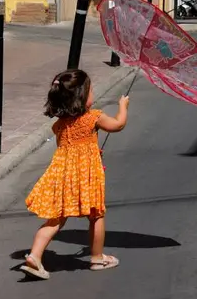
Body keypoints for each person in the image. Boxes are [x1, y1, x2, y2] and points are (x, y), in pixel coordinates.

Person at [20, 69, 129, 280]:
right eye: (90, 90)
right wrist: (123, 106)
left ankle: (34, 256)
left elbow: (70, 142)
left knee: (57, 218)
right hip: (85, 174)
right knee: (96, 214)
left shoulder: (59, 125)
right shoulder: (93, 117)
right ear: (81, 96)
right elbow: (118, 124)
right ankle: (97, 258)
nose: (92, 93)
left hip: (62, 174)